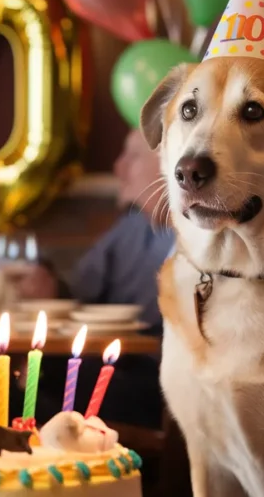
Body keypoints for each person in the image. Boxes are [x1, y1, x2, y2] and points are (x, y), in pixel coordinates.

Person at [18, 129, 176, 428]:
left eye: (133, 155)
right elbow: (80, 290)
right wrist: (50, 288)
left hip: (159, 385)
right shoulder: (132, 228)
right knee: (20, 382)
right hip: (115, 364)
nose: (118, 168)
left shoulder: (208, 237)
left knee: (32, 383)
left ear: (169, 159)